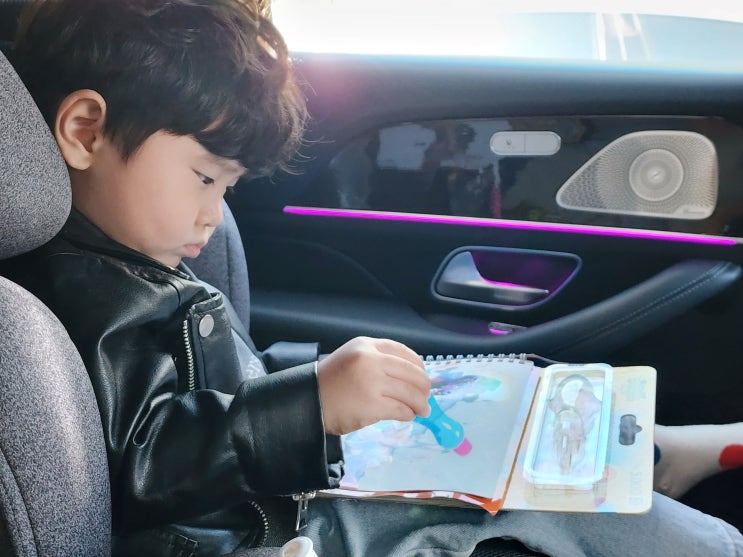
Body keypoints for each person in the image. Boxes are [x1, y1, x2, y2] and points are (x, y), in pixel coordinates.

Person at [5, 1, 743, 556]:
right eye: (205, 178)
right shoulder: (70, 297)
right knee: (518, 508)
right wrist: (311, 402)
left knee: (513, 402)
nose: (213, 213)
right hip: (255, 531)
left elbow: (224, 379)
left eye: (227, 187)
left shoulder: (138, 256)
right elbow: (145, 460)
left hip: (279, 490)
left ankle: (642, 450)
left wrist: (324, 379)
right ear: (84, 131)